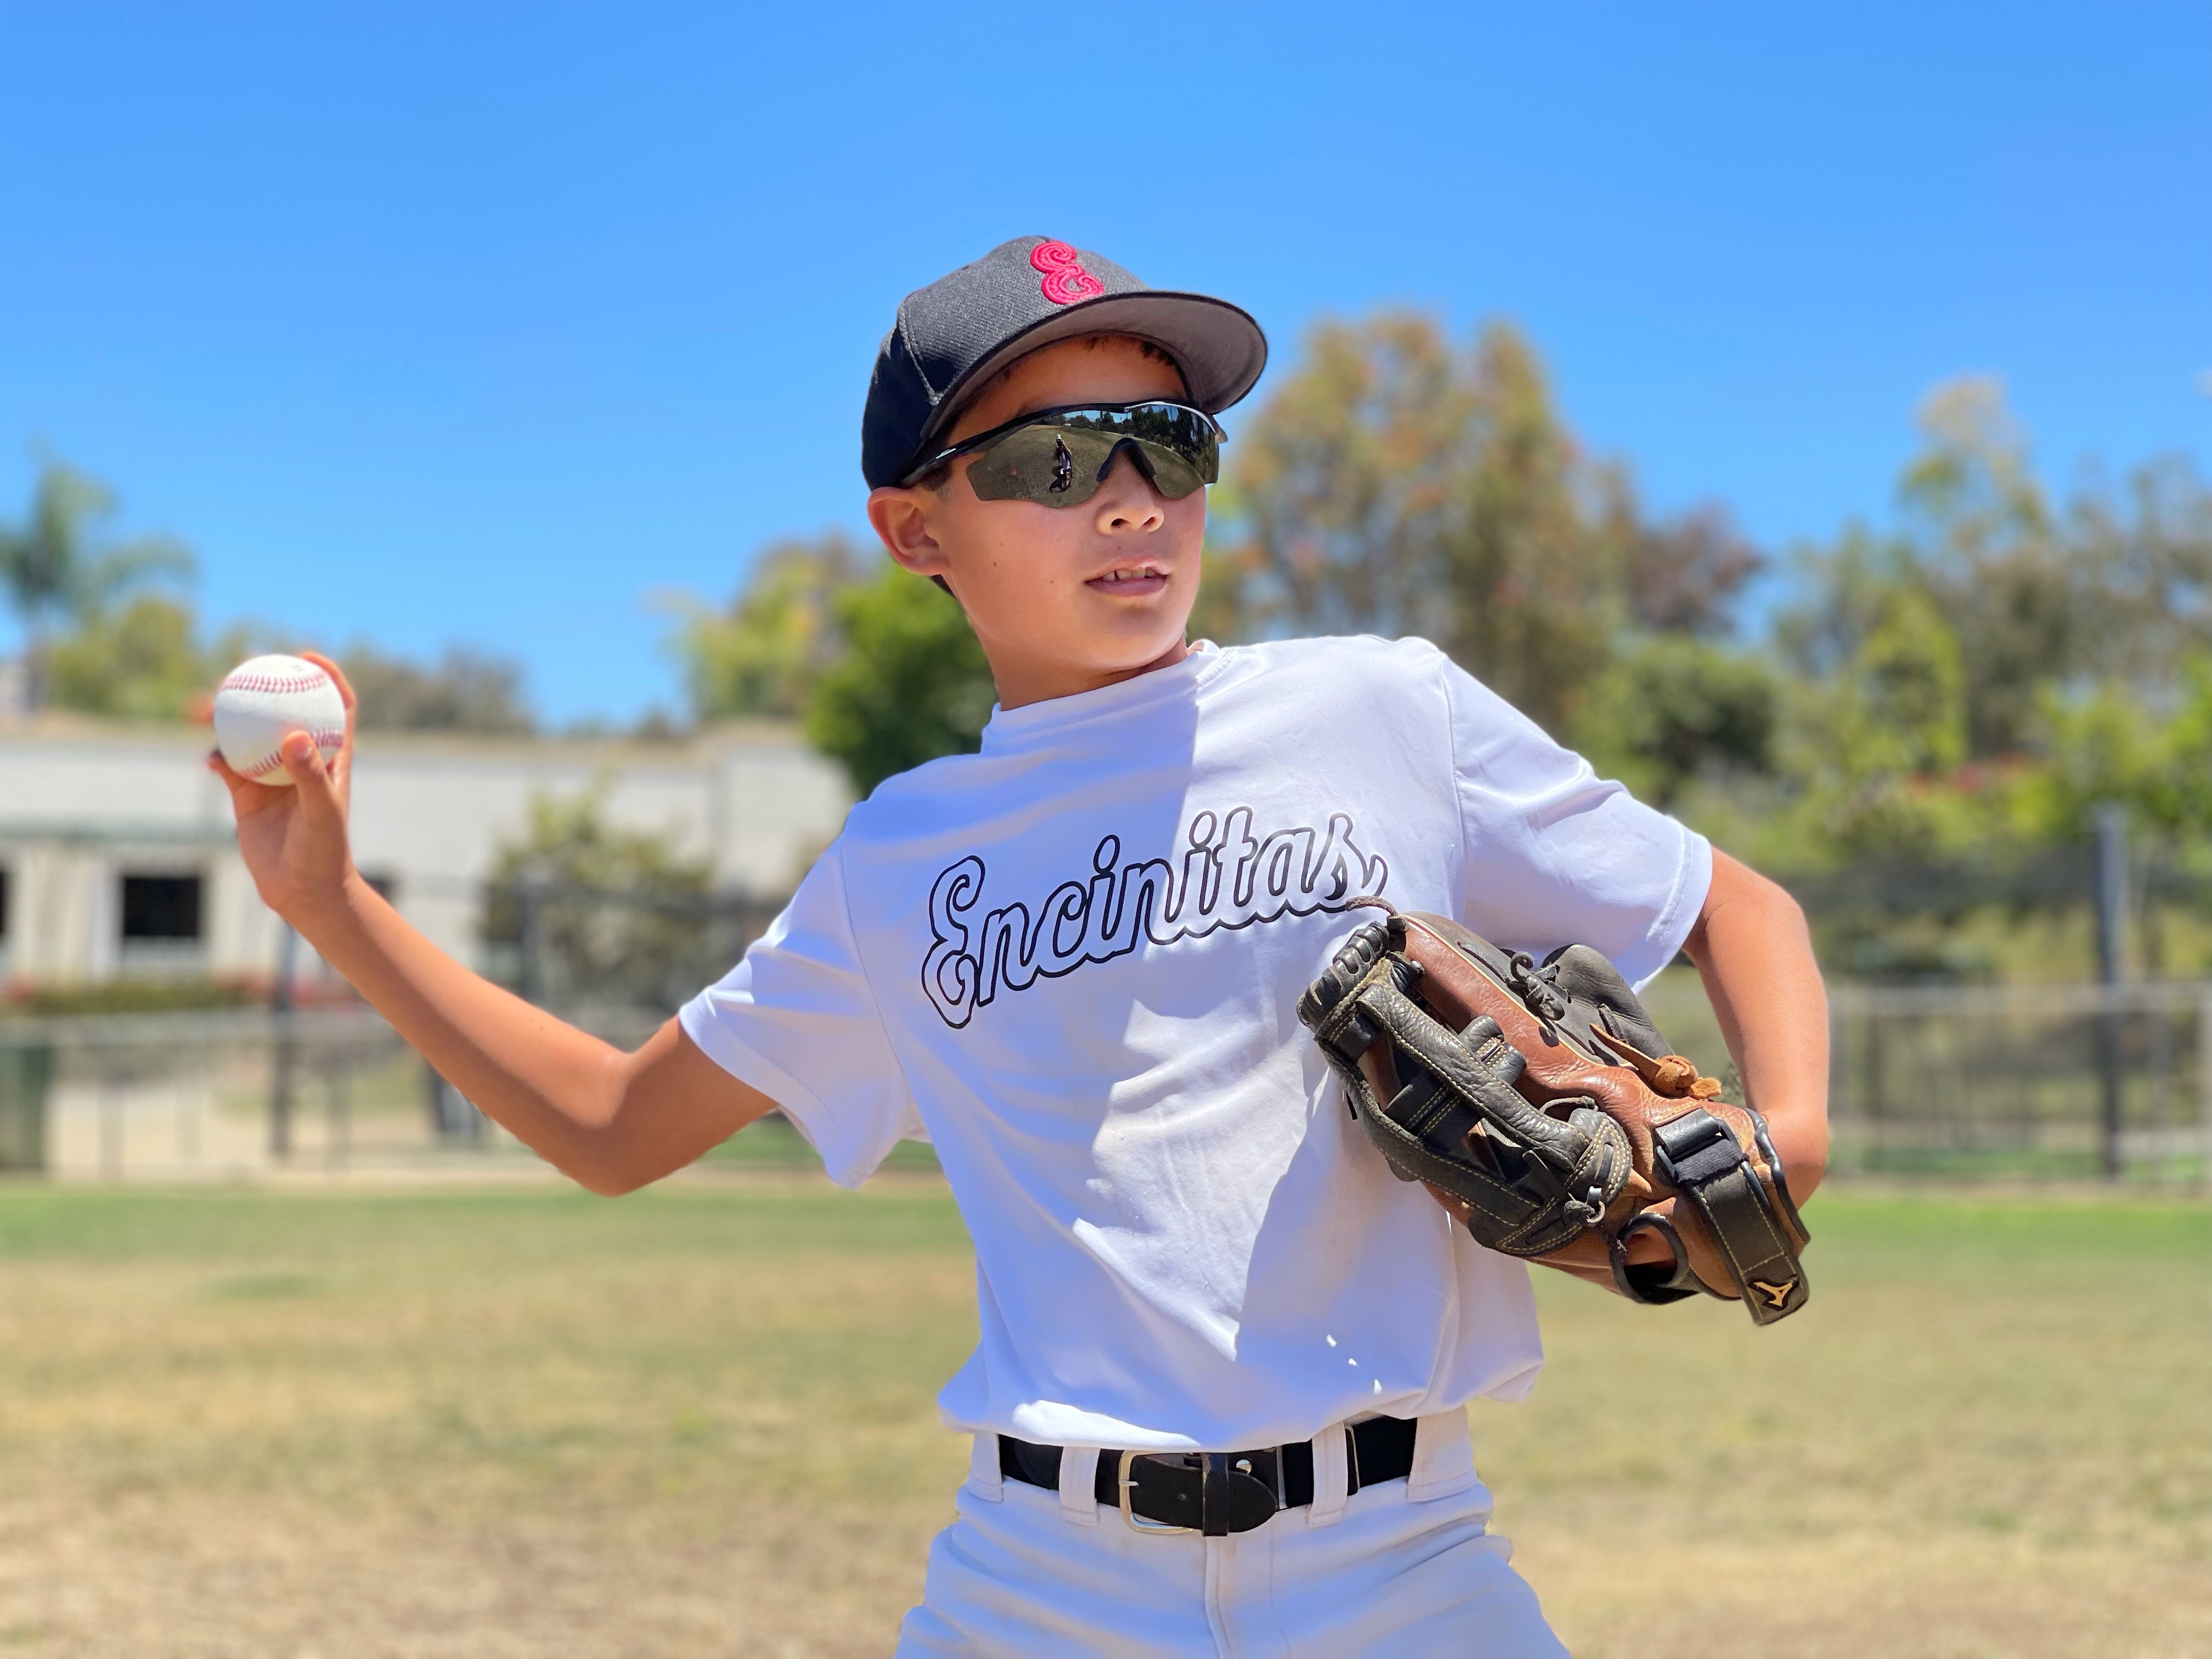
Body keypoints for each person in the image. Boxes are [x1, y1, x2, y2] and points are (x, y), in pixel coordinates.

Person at [213, 235, 1830, 1657]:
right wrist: (332, 910)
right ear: (917, 532)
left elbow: (1734, 909)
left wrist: (1788, 1138)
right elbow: (613, 1127)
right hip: (1045, 1584)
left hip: (1399, 1561)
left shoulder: (1379, 711)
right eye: (1056, 463)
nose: (1131, 499)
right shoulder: (901, 860)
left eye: (1169, 444)